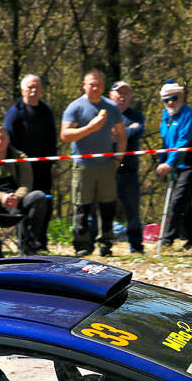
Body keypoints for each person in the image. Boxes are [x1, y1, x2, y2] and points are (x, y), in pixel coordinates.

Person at [60, 70, 121, 256]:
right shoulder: (75, 107)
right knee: (82, 207)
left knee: (108, 206)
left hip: (107, 164)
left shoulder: (111, 107)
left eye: (99, 85)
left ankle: (106, 244)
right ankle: (82, 245)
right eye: (92, 84)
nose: (95, 88)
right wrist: (89, 128)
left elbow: (121, 134)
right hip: (83, 164)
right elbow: (65, 135)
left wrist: (118, 158)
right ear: (84, 85)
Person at [0, 124, 52, 257]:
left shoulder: (20, 157)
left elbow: (26, 184)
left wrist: (16, 197)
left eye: (2, 138)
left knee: (39, 196)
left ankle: (29, 245)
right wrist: (2, 197)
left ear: (8, 139)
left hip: (17, 204)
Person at [152, 81, 192, 251]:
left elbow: (183, 141)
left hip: (190, 163)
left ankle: (168, 239)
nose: (170, 103)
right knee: (184, 202)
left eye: (174, 98)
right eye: (166, 100)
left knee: (178, 200)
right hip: (173, 165)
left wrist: (169, 163)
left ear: (181, 96)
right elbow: (166, 143)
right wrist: (163, 162)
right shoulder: (166, 116)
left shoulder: (189, 114)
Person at [3, 73, 58, 198]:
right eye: (30, 87)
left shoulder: (46, 111)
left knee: (45, 199)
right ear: (22, 90)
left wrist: (52, 160)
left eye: (37, 87)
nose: (34, 90)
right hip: (22, 167)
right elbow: (8, 140)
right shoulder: (14, 113)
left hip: (44, 166)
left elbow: (52, 137)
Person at [109, 80, 147, 254]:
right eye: (119, 93)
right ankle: (103, 245)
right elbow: (104, 136)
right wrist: (125, 131)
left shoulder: (136, 115)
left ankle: (136, 245)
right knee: (102, 209)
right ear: (111, 95)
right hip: (107, 170)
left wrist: (117, 133)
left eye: (126, 93)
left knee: (132, 211)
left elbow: (136, 132)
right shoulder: (105, 114)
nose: (122, 96)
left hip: (129, 170)